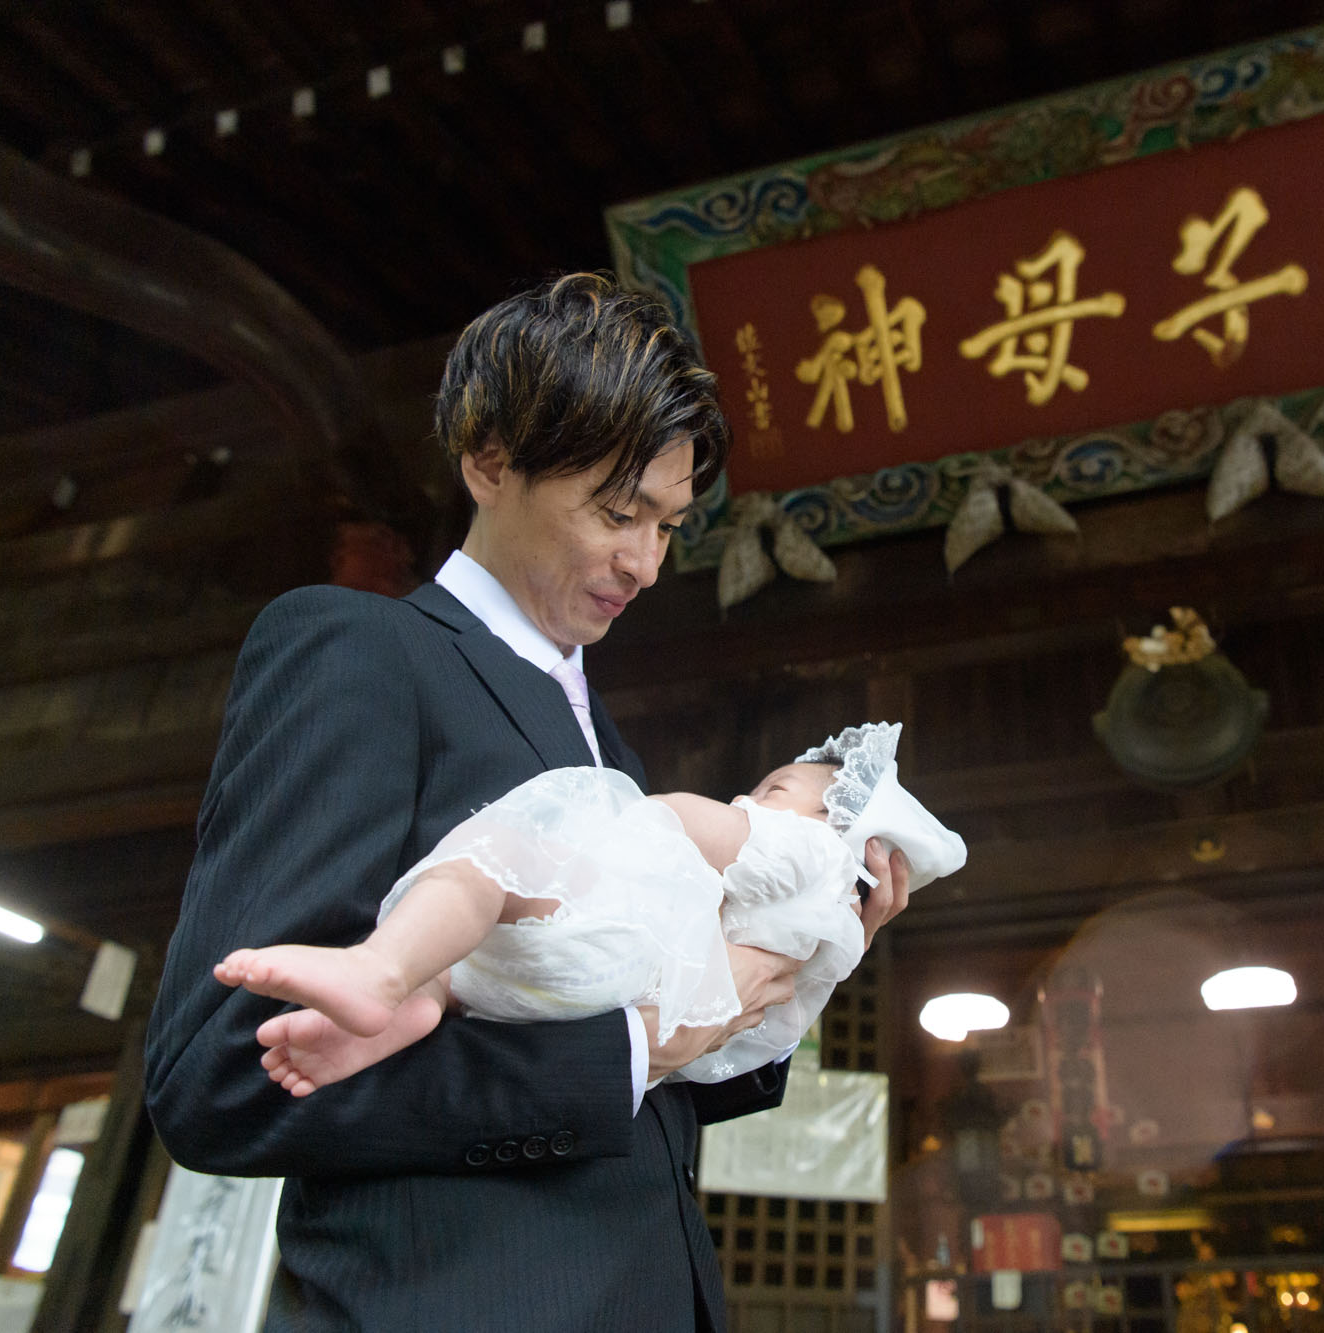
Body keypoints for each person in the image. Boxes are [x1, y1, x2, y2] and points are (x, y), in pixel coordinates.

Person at [143, 272, 913, 1333]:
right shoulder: (360, 651)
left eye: (670, 525)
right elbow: (220, 1075)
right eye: (617, 511)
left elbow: (643, 1095)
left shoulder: (620, 757)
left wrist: (784, 975)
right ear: (488, 459)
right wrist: (638, 1046)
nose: (643, 563)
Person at [211, 723, 965, 1094]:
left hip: (621, 947)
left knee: (502, 855)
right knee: (488, 944)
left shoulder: (809, 850)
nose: (748, 797)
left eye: (771, 790)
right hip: (606, 998)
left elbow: (689, 820)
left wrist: (667, 815)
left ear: (840, 831)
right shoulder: (811, 943)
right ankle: (422, 1002)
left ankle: (386, 969)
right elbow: (747, 1044)